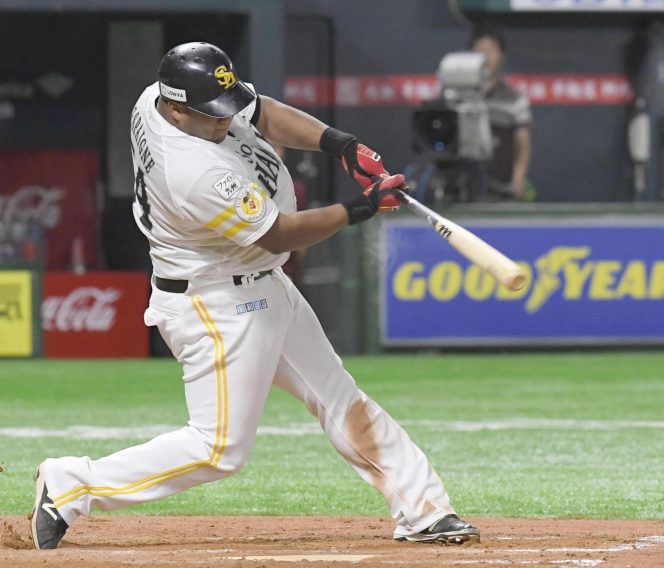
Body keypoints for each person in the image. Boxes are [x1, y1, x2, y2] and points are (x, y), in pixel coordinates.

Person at [30, 42, 479, 549]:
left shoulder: (157, 96)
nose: (225, 121)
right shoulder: (190, 171)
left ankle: (423, 510)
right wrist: (363, 207)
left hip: (260, 282)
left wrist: (341, 144)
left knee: (338, 396)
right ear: (176, 109)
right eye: (211, 116)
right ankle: (70, 484)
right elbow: (279, 234)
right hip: (217, 305)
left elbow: (262, 111)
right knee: (218, 449)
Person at [470, 26, 532, 201]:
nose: (485, 56)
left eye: (491, 50)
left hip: (502, 187)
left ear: (501, 55)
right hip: (464, 186)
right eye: (480, 50)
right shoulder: (456, 94)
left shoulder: (514, 98)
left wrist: (517, 181)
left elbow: (523, 145)